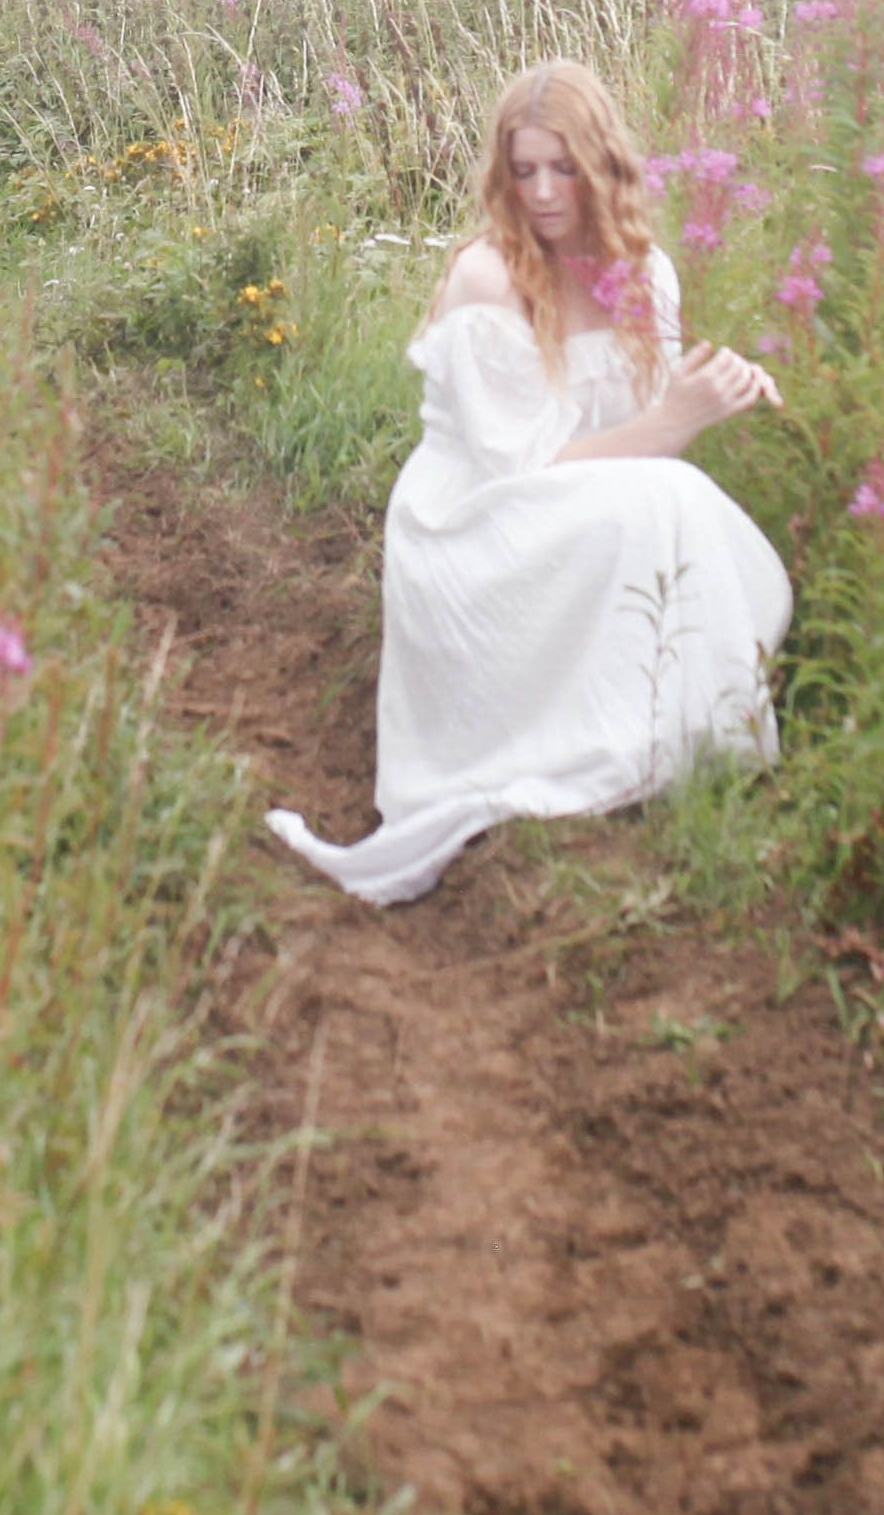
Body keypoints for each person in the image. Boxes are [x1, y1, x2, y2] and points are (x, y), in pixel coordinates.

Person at [265, 60, 794, 905]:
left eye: (564, 168)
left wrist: (706, 395)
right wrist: (674, 421)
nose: (543, 192)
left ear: (605, 167)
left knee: (688, 508)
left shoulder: (644, 272)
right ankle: (609, 752)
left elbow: (642, 439)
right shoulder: (487, 278)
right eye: (523, 170)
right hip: (471, 523)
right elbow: (520, 473)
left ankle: (678, 751)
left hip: (576, 501)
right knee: (672, 498)